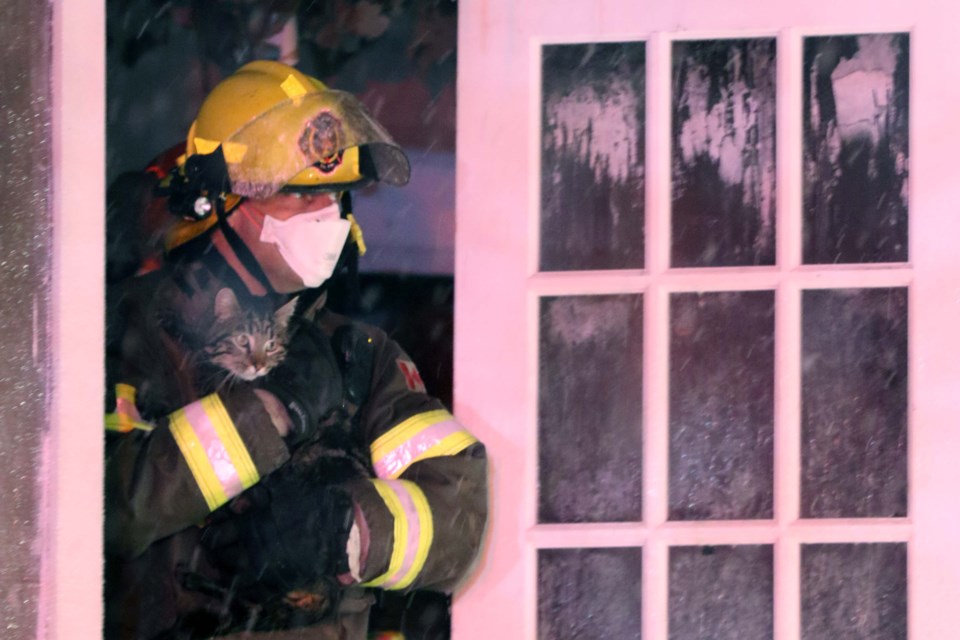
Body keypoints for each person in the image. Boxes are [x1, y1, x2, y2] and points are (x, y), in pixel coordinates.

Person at [104, 60, 488, 639]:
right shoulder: (123, 331)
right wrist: (270, 413)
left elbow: (457, 518)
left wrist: (344, 531)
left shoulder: (360, 355)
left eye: (335, 196)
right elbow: (98, 509)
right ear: (220, 206)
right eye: (299, 196)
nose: (327, 217)